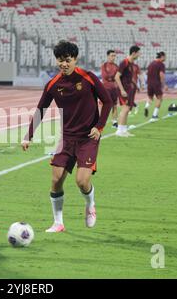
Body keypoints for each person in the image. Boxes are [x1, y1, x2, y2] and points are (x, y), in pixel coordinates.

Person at [22, 40, 112, 232]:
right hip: (67, 138)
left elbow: (108, 101)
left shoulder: (88, 78)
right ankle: (58, 222)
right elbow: (41, 110)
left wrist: (100, 126)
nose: (64, 64)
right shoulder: (53, 84)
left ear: (75, 59)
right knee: (56, 179)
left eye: (67, 60)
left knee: (82, 181)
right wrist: (28, 135)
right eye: (60, 60)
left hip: (88, 137)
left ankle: (90, 205)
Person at [114, 46, 141, 137]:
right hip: (124, 89)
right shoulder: (124, 62)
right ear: (133, 53)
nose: (139, 55)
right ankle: (119, 130)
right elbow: (117, 77)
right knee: (125, 109)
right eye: (138, 53)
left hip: (129, 89)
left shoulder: (131, 64)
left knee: (128, 108)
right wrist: (122, 90)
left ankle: (124, 130)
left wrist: (135, 86)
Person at [145, 52, 168, 121]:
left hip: (149, 83)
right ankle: (154, 115)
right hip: (156, 83)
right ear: (162, 56)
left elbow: (147, 73)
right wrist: (164, 84)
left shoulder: (151, 63)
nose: (165, 58)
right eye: (165, 57)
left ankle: (146, 106)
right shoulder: (161, 64)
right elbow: (161, 75)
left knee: (150, 97)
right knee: (159, 98)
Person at [101, 50, 119, 128]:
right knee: (105, 105)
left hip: (114, 89)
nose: (113, 57)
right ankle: (101, 122)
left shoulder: (116, 66)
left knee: (115, 105)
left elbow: (118, 77)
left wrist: (113, 78)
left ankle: (114, 122)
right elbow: (105, 76)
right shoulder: (104, 65)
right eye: (112, 55)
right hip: (106, 88)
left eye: (114, 56)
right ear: (108, 56)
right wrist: (113, 77)